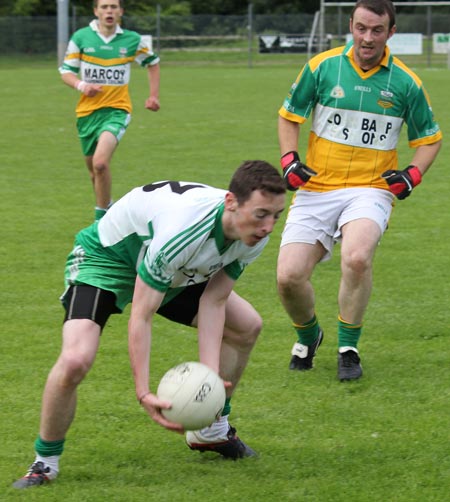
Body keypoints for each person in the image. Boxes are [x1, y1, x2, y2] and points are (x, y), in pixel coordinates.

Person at [12, 160, 286, 489]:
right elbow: (141, 314)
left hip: (170, 267)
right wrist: (143, 391)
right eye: (261, 214)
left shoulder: (252, 234)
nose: (269, 226)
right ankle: (45, 461)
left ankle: (211, 430)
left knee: (247, 325)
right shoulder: (183, 233)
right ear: (231, 202)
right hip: (108, 259)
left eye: (275, 216)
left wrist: (208, 379)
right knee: (75, 360)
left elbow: (214, 301)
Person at [276, 0, 442, 381]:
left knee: (356, 258)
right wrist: (289, 160)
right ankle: (308, 335)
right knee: (288, 278)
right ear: (350, 25)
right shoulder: (322, 67)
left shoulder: (405, 83)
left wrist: (412, 174)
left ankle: (348, 348)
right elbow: (289, 116)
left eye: (377, 31)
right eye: (361, 28)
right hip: (317, 186)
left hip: (371, 188)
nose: (367, 38)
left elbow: (430, 139)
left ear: (391, 33)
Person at [59, 0, 161, 221]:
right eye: (104, 7)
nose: (109, 11)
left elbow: (152, 62)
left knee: (100, 163)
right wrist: (83, 86)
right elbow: (66, 72)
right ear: (96, 11)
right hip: (87, 114)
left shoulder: (132, 40)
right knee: (94, 172)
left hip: (117, 110)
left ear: (120, 12)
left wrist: (153, 95)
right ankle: (109, 207)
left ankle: (101, 222)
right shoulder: (81, 37)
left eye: (114, 7)